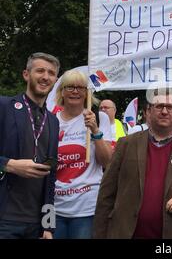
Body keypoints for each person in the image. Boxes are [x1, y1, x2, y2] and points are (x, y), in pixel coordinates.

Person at [93, 89, 172, 238]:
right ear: (148, 112)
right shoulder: (126, 144)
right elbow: (107, 193)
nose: (164, 111)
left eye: (170, 107)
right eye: (159, 106)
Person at [0, 52, 60, 239]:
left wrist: (48, 226)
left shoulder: (52, 120)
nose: (45, 77)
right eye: (40, 71)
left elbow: (51, 179)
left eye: (51, 73)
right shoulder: (4, 106)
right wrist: (9, 165)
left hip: (36, 225)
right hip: (4, 219)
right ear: (26, 74)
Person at [53, 70, 113, 239]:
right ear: (61, 91)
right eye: (70, 87)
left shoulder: (99, 118)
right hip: (54, 206)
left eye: (80, 87)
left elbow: (107, 161)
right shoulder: (50, 120)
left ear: (87, 92)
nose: (75, 91)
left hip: (86, 208)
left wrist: (95, 130)